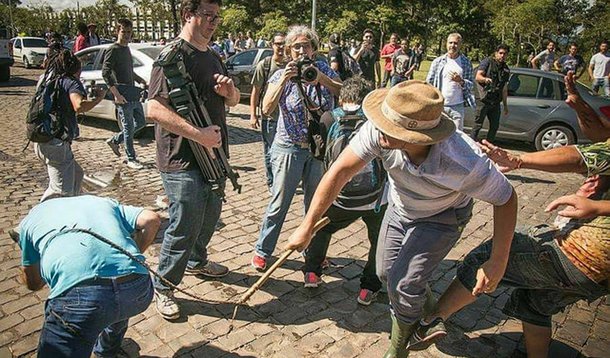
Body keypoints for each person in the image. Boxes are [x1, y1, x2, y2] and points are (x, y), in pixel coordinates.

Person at [286, 80, 517, 357]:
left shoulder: (463, 161)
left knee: (403, 284)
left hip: (442, 215)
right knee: (385, 273)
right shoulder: (379, 131)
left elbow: (506, 197)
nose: (380, 128)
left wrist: (498, 260)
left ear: (418, 137)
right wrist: (307, 225)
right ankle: (430, 312)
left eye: (393, 127)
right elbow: (339, 172)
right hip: (400, 207)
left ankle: (398, 349)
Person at [411, 72, 609, 357]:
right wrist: (581, 107)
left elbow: (584, 155)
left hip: (586, 250)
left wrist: (520, 159)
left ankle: (428, 324)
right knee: (534, 302)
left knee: (485, 258)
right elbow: (603, 137)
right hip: (598, 273)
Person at [146, 0, 240, 320]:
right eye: (207, 16)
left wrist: (230, 92)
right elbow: (154, 110)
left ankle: (198, 261)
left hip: (215, 156)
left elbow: (234, 100)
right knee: (184, 223)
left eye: (217, 17)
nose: (214, 22)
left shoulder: (213, 55)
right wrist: (198, 134)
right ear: (189, 15)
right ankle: (164, 285)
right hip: (180, 158)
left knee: (210, 213)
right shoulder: (171, 58)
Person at [17, 194, 160, 357]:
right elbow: (151, 219)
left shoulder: (33, 216)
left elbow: (34, 284)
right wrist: (131, 257)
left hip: (81, 300)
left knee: (100, 308)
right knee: (117, 305)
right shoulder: (100, 201)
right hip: (137, 288)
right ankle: (106, 353)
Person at [250, 25, 342, 271]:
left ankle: (313, 253)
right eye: (296, 47)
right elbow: (267, 109)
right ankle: (263, 250)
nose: (302, 50)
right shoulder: (280, 74)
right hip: (288, 146)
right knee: (280, 202)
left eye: (307, 45)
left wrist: (321, 77)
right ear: (289, 50)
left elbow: (342, 92)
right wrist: (284, 80)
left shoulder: (322, 68)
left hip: (318, 148)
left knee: (315, 204)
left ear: (314, 48)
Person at [301, 76, 387, 306]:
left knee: (322, 229)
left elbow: (319, 154)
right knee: (378, 241)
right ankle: (368, 288)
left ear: (343, 97)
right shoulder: (376, 120)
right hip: (375, 198)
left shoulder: (330, 117)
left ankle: (312, 272)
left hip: (339, 196)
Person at [36, 50, 106, 202]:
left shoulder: (47, 79)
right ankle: (49, 219)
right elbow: (79, 105)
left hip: (42, 138)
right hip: (56, 144)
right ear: (77, 69)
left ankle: (73, 207)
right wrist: (98, 98)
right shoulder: (71, 81)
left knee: (76, 175)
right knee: (61, 192)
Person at [103, 19, 148, 170]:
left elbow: (129, 70)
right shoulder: (113, 49)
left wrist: (141, 80)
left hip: (132, 92)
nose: (127, 35)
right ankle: (131, 158)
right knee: (128, 126)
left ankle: (115, 140)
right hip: (122, 94)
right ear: (117, 31)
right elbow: (106, 73)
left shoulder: (127, 49)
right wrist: (115, 94)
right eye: (124, 32)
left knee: (140, 122)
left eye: (129, 32)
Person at [250, 32, 287, 189]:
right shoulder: (264, 65)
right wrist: (253, 115)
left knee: (284, 152)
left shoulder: (290, 66)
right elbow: (255, 92)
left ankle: (283, 179)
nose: (280, 47)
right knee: (270, 151)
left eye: (283, 43)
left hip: (286, 118)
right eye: (277, 43)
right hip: (269, 117)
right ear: (272, 45)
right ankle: (272, 181)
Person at [426, 33, 475, 131]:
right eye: (450, 43)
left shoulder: (466, 62)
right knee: (437, 136)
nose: (453, 45)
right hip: (440, 105)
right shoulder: (438, 62)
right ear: (446, 44)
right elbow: (429, 83)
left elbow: (471, 85)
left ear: (460, 45)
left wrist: (460, 81)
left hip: (457, 106)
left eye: (456, 43)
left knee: (457, 137)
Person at [470, 44, 511, 143]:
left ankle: (488, 147)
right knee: (477, 125)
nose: (502, 55)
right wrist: (485, 79)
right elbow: (478, 77)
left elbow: (504, 89)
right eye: (500, 53)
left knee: (494, 126)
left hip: (495, 102)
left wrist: (505, 106)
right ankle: (470, 146)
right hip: (483, 99)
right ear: (496, 53)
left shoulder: (506, 69)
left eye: (505, 54)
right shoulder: (487, 62)